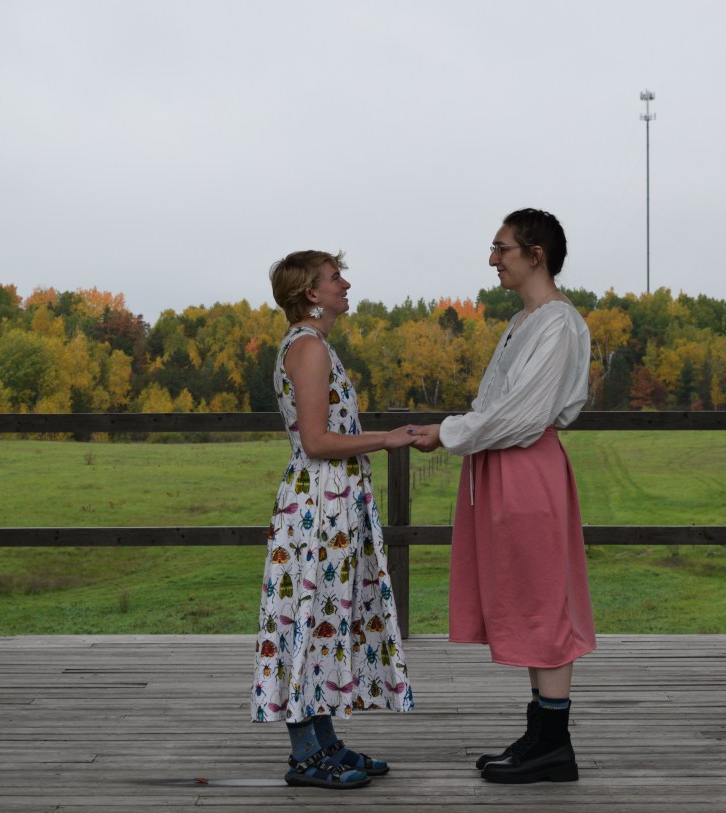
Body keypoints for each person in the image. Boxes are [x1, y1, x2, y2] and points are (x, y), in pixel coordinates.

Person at [412, 208, 596, 784]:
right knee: (523, 596)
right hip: (506, 469)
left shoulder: (558, 324)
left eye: (502, 249)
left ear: (534, 254)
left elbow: (521, 415)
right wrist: (460, 432)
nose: (493, 260)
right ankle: (540, 735)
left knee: (542, 602)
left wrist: (447, 433)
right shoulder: (527, 321)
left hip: (526, 469)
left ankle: (553, 745)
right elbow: (499, 407)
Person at [252, 249, 416, 790]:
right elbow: (318, 441)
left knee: (324, 614)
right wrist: (387, 439)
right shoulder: (307, 349)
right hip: (318, 503)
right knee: (307, 618)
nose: (345, 284)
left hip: (331, 501)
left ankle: (325, 743)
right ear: (310, 294)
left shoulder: (314, 346)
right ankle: (304, 756)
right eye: (334, 278)